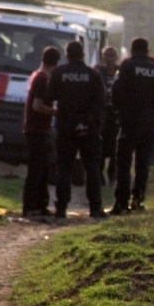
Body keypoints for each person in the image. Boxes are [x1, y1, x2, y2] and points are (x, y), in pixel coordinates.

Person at [45, 41, 108, 219]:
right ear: (83, 55)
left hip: (65, 126)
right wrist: (93, 123)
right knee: (92, 169)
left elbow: (49, 97)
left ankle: (61, 208)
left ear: (67, 56)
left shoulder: (59, 73)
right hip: (89, 128)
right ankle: (95, 209)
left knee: (64, 167)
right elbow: (101, 104)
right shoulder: (93, 75)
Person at [110, 37, 154, 215]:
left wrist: (117, 111)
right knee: (142, 164)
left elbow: (117, 89)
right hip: (149, 123)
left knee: (123, 162)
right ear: (147, 51)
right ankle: (138, 201)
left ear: (132, 50)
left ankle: (121, 203)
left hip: (130, 122)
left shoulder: (127, 66)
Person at [22, 46, 59, 217]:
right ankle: (30, 206)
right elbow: (37, 106)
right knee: (36, 170)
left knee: (42, 169)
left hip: (37, 129)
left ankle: (39, 204)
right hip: (37, 130)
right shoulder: (43, 79)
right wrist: (56, 112)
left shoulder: (37, 75)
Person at [95, 46, 120, 186]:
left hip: (115, 112)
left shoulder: (121, 71)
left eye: (112, 55)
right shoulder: (99, 72)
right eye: (107, 55)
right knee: (101, 143)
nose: (109, 58)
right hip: (102, 112)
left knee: (115, 144)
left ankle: (113, 174)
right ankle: (99, 174)